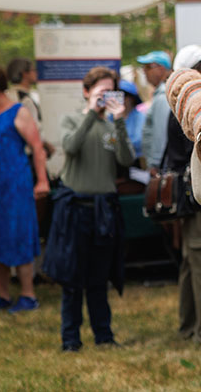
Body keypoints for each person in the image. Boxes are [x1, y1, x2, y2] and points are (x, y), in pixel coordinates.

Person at [43, 66, 135, 351]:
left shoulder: (111, 127)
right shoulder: (71, 119)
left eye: (110, 92)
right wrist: (89, 114)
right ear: (86, 92)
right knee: (72, 280)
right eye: (100, 92)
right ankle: (70, 340)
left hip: (103, 210)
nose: (105, 97)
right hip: (75, 210)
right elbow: (70, 146)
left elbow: (127, 159)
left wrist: (118, 121)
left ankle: (103, 336)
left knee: (98, 278)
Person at [0, 63, 50, 312]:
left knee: (18, 235)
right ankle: (3, 295)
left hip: (14, 185)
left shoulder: (19, 112)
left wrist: (42, 180)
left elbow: (37, 148)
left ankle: (28, 294)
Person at [168, 45, 201, 344]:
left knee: (192, 264)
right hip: (199, 199)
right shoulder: (192, 106)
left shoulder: (178, 105)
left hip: (189, 199)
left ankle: (189, 326)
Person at [139, 50, 172, 175]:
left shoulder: (162, 96)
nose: (144, 71)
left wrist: (155, 164)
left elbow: (161, 133)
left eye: (148, 67)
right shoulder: (161, 93)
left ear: (161, 69)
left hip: (161, 167)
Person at [119, 80, 145, 160]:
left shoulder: (140, 117)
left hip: (136, 162)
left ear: (132, 98)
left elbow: (138, 141)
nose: (121, 99)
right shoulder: (110, 117)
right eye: (117, 95)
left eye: (124, 95)